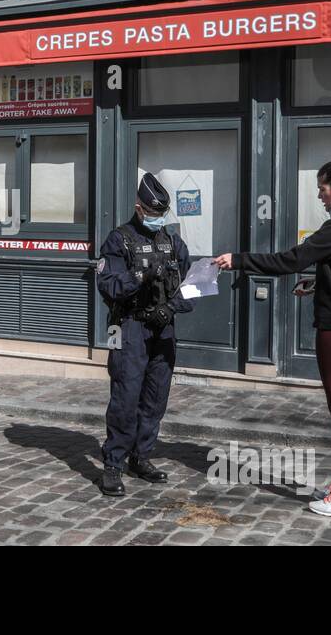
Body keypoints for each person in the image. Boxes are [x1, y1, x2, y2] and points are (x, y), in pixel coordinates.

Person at [216, 159, 331, 518]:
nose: (320, 198)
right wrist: (321, 284)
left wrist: (239, 259)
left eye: (322, 190)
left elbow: (289, 260)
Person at [95, 173, 193, 498]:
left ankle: (141, 455)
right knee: (126, 394)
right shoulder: (118, 240)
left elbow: (192, 280)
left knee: (155, 396)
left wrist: (173, 307)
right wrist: (139, 276)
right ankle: (113, 463)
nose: (158, 220)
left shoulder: (171, 240)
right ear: (140, 208)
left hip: (162, 327)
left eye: (162, 214)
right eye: (153, 214)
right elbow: (108, 285)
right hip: (127, 327)